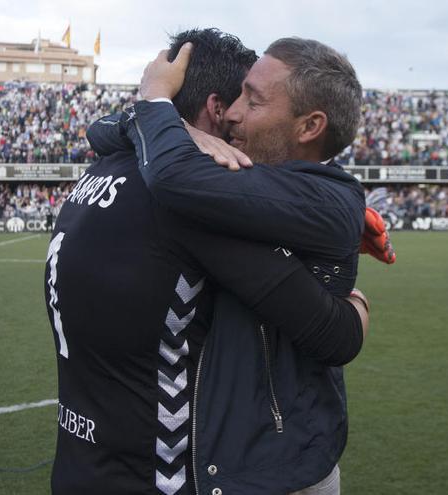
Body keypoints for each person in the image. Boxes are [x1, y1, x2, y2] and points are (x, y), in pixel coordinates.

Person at [50, 30, 375, 495]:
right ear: (214, 109)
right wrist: (357, 308)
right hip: (177, 476)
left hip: (83, 467)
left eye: (254, 100)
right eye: (238, 99)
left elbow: (106, 130)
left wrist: (154, 112)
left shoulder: (105, 169)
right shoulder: (189, 200)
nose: (239, 114)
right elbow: (334, 333)